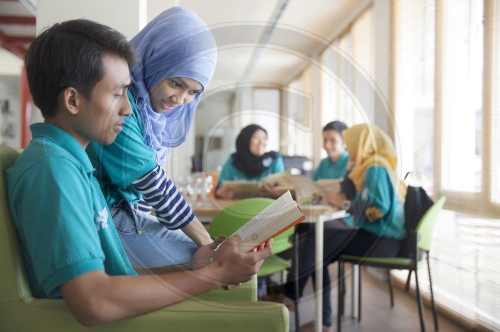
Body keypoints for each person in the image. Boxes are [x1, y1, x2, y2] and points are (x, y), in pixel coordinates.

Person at [6, 19, 271, 326]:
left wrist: (194, 269)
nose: (129, 110)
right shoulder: (54, 171)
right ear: (72, 100)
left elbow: (116, 274)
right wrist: (213, 274)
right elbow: (95, 301)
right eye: (118, 94)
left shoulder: (76, 166)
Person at [86, 7, 218, 268]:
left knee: (207, 255)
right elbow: (152, 183)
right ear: (156, 61)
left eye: (193, 92)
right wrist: (206, 241)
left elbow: (145, 197)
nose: (180, 100)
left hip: (126, 215)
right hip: (101, 218)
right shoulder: (117, 103)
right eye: (176, 84)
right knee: (209, 261)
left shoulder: (151, 114)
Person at [283, 123, 407, 332]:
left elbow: (378, 208)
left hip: (383, 241)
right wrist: (350, 175)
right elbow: (355, 196)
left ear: (362, 145)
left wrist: (346, 204)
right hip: (380, 237)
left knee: (316, 244)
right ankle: (315, 316)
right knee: (318, 245)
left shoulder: (374, 168)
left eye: (350, 145)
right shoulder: (368, 167)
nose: (348, 150)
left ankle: (293, 299)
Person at [215, 124, 285, 199]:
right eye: (257, 138)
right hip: (239, 207)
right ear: (245, 140)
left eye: (264, 138)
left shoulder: (274, 160)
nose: (261, 142)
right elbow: (219, 190)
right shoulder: (233, 161)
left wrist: (276, 194)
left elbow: (284, 190)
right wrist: (221, 193)